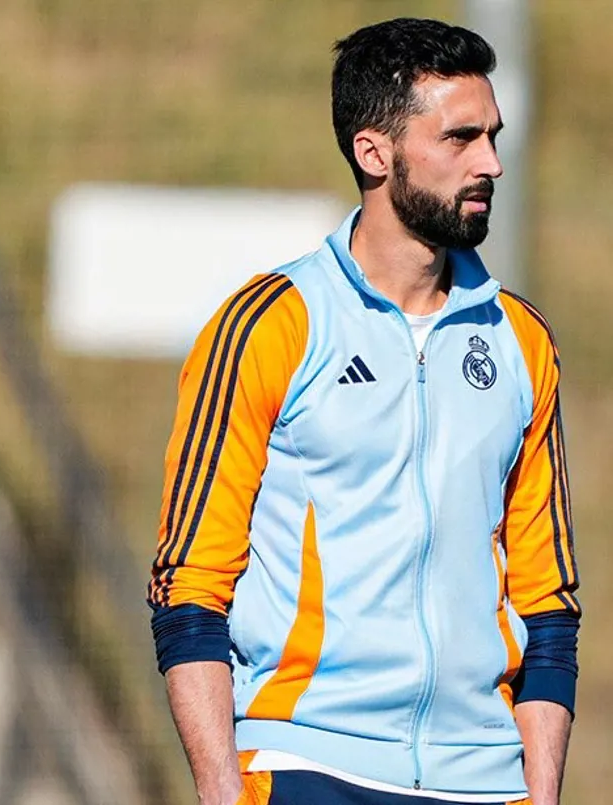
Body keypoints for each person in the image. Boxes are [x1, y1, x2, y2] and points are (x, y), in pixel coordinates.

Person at [147, 17, 580, 805]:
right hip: (310, 765)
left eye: (492, 136)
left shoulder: (521, 342)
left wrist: (538, 788)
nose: (490, 162)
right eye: (459, 138)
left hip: (483, 780)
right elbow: (189, 585)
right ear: (373, 152)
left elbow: (546, 601)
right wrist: (221, 788)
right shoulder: (270, 326)